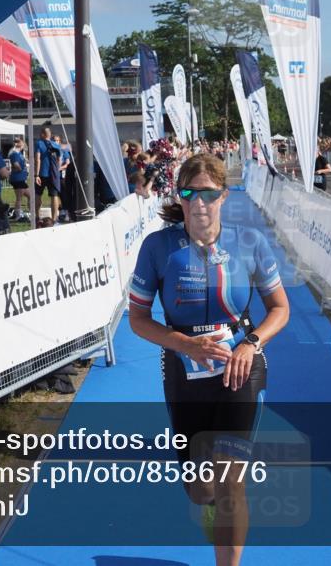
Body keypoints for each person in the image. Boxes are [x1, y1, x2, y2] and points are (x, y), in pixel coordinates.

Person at [127, 154, 289, 565]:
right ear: (179, 197)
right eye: (190, 193)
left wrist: (250, 343)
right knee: (201, 490)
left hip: (240, 369)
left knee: (230, 479)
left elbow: (280, 309)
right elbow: (138, 319)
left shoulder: (249, 242)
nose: (200, 203)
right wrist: (185, 344)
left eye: (209, 194)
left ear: (224, 196)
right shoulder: (158, 247)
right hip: (184, 374)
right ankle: (214, 508)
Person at [34, 127, 61, 225]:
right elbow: (59, 160)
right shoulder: (56, 145)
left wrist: (36, 175)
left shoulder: (39, 143)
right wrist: (57, 171)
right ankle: (54, 219)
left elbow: (38, 159)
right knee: (54, 196)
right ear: (50, 135)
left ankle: (37, 217)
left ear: (42, 134)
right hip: (53, 174)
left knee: (38, 194)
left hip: (42, 174)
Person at [7, 138, 31, 223]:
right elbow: (16, 164)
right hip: (17, 179)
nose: (24, 144)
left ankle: (31, 212)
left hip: (21, 179)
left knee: (30, 196)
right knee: (19, 198)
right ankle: (18, 215)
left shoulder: (19, 153)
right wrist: (21, 169)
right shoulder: (14, 154)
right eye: (22, 143)